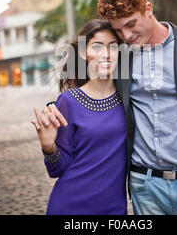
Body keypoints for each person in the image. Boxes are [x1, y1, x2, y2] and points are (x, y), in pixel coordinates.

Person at [36, 0, 177, 215]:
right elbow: (93, 92)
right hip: (145, 188)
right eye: (119, 30)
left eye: (131, 24)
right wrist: (54, 115)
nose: (127, 35)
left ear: (148, 9)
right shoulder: (124, 57)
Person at [31, 19, 127, 215]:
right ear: (83, 53)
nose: (106, 54)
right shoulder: (68, 101)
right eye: (97, 47)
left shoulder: (128, 98)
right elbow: (56, 170)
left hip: (114, 208)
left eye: (113, 47)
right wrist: (49, 148)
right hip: (71, 206)